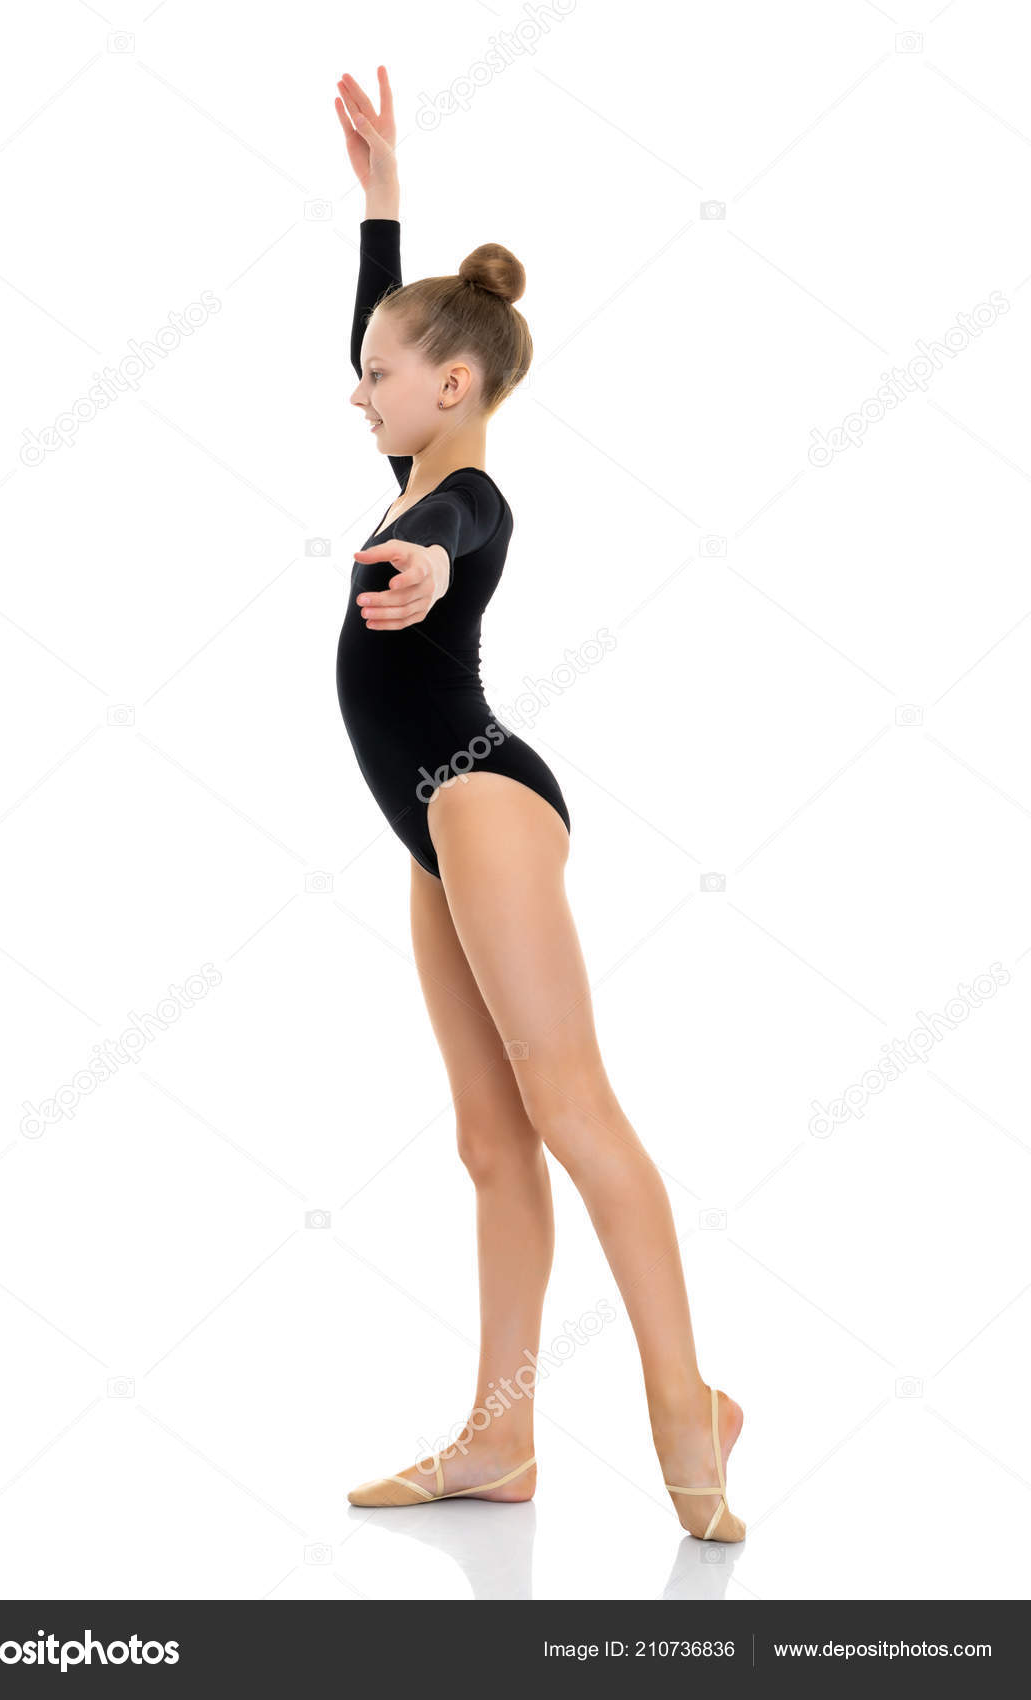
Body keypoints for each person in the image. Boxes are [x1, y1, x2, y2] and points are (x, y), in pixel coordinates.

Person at [332, 66, 745, 1542]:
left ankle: (687, 1405)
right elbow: (392, 351)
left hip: (480, 795)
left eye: (381, 374)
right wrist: (384, 207)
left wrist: (435, 562)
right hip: (430, 827)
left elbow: (465, 521)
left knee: (572, 1110)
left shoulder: (461, 497)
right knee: (493, 1144)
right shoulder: (410, 455)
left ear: (452, 388)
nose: (357, 389)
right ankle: (498, 1441)